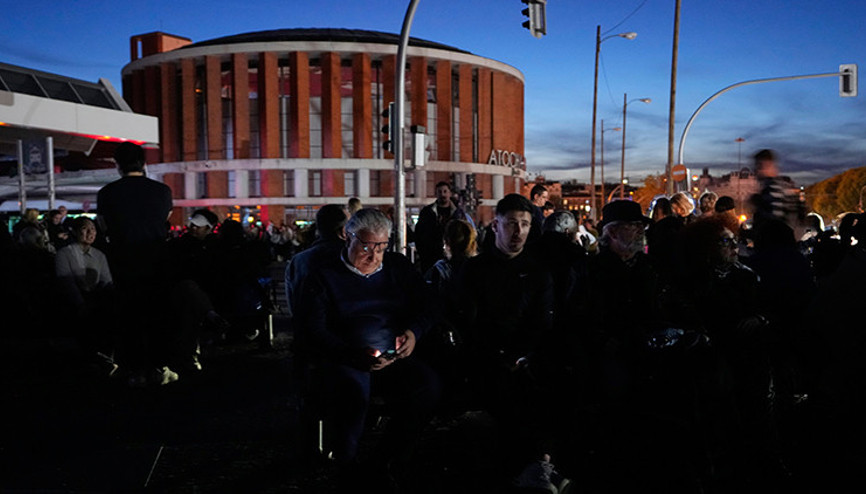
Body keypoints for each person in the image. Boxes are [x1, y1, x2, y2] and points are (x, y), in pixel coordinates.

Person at [295, 208, 440, 487]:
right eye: (366, 246)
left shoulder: (397, 267)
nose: (374, 256)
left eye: (381, 247)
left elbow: (429, 304)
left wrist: (413, 332)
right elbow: (312, 328)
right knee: (351, 395)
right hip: (345, 358)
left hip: (393, 355)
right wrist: (350, 353)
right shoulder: (322, 276)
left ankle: (385, 459)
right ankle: (346, 468)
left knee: (428, 387)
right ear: (347, 237)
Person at [455, 193, 555, 477]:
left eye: (524, 224)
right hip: (485, 357)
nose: (518, 231)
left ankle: (536, 464)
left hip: (526, 357)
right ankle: (529, 467)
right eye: (511, 223)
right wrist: (497, 355)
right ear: (496, 226)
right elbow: (467, 321)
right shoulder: (474, 270)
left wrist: (520, 355)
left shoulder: (538, 273)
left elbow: (541, 323)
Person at [97, 142, 177, 386]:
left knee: (128, 316)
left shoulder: (108, 193)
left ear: (118, 165)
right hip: (156, 260)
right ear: (143, 163)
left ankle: (133, 369)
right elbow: (166, 219)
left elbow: (103, 225)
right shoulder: (162, 191)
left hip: (123, 261)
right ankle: (159, 367)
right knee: (156, 314)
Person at [55, 216, 117, 376]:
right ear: (75, 232)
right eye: (85, 228)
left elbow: (106, 281)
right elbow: (66, 282)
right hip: (74, 302)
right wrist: (81, 304)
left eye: (93, 229)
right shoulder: (64, 254)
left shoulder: (99, 255)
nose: (91, 232)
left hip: (96, 300)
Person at [414, 181, 474, 272]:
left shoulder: (459, 213)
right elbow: (419, 234)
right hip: (431, 258)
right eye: (440, 192)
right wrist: (424, 253)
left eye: (445, 191)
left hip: (454, 258)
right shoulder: (427, 212)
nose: (443, 194)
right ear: (436, 194)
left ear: (450, 193)